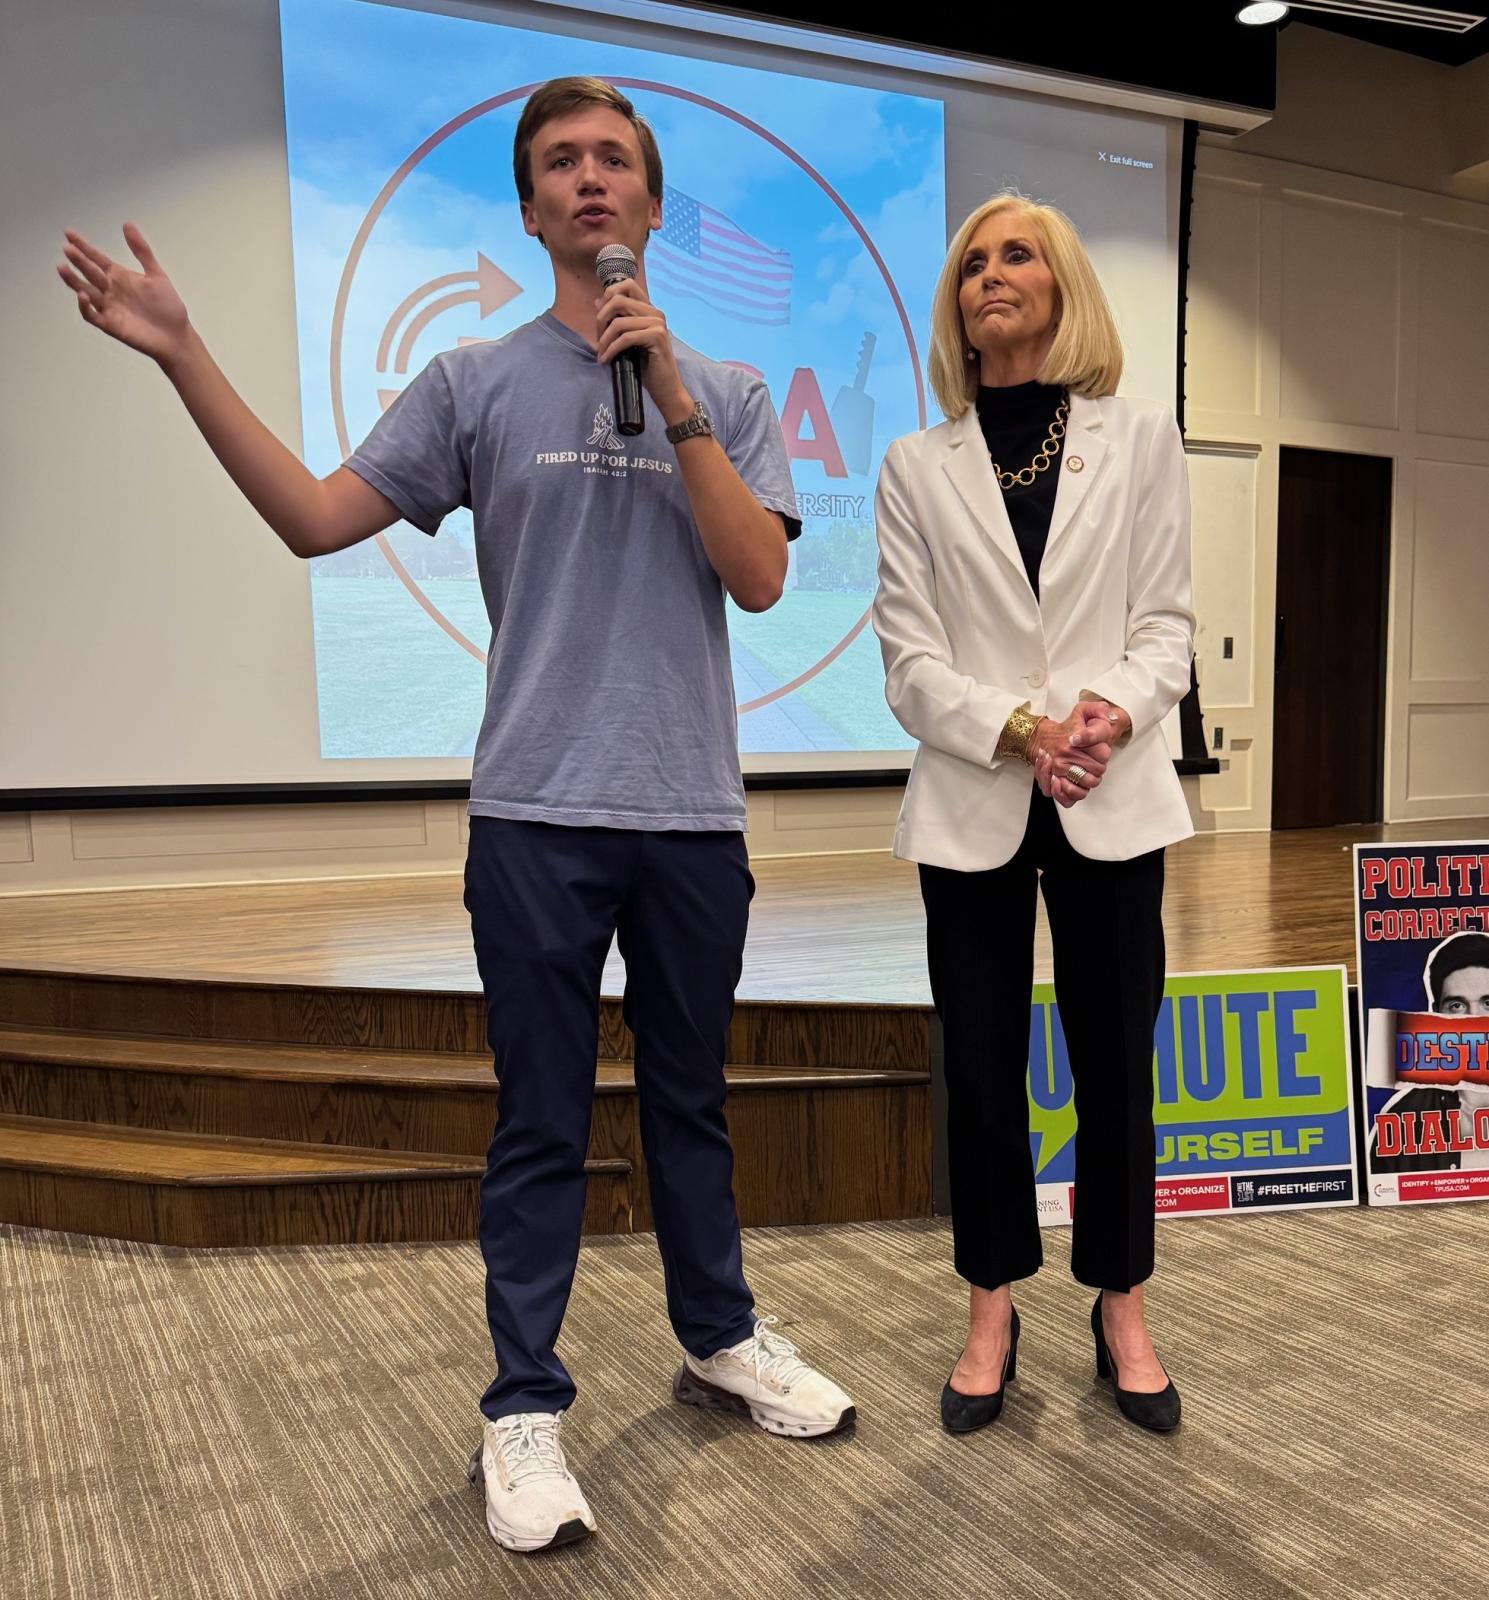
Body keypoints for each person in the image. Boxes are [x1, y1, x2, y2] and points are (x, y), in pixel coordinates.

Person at [58, 75, 853, 1556]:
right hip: (537, 813)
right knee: (542, 1121)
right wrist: (183, 354)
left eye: (616, 158)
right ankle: (522, 1406)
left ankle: (718, 1335)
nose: (591, 180)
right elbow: (310, 516)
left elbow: (755, 577)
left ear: (654, 205)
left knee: (690, 1104)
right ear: (534, 206)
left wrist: (669, 388)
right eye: (562, 162)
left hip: (689, 813)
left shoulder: (731, 390)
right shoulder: (472, 382)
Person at [871, 192, 1195, 1435]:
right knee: (981, 1064)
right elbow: (907, 660)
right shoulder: (913, 464)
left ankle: (1121, 1301)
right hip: (973, 800)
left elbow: (1164, 623)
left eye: (1017, 257)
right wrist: (1018, 729)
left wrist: (1104, 711)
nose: (989, 277)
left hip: (1112, 790)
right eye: (971, 265)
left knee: (1119, 1061)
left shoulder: (1140, 439)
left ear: (1061, 289)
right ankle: (990, 1302)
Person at [1371, 931, 1489, 1174]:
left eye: (1488, 1003)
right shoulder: (1405, 1120)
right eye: (1457, 1006)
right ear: (1437, 1015)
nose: (1474, 1019)